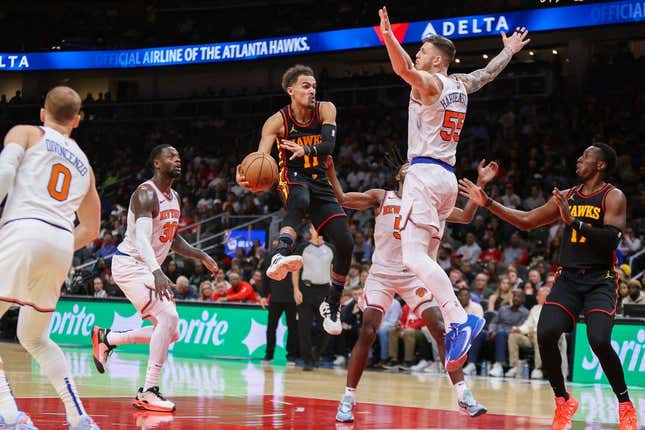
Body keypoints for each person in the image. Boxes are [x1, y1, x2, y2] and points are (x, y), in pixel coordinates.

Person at [378, 6, 530, 370]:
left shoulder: (430, 82)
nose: (418, 54)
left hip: (425, 175)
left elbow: (402, 69)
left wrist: (387, 36)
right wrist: (508, 51)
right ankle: (457, 319)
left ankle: (461, 319)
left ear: (438, 60)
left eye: (424, 51)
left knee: (412, 259)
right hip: (446, 176)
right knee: (424, 261)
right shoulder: (460, 84)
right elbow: (487, 74)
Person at [459, 143, 638, 429]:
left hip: (599, 280)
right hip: (568, 278)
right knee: (545, 332)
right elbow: (527, 221)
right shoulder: (566, 195)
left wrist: (573, 222)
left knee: (599, 340)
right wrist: (488, 203)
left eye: (587, 156)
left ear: (601, 165)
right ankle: (563, 400)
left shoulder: (613, 196)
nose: (579, 158)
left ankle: (625, 404)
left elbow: (611, 240)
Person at [328, 158, 497, 422]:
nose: (413, 169)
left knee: (440, 328)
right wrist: (329, 169)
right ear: (399, 176)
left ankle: (463, 394)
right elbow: (342, 198)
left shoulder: (429, 206)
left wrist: (480, 185)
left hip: (414, 275)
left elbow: (464, 215)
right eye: (408, 167)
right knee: (369, 329)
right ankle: (348, 397)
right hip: (382, 274)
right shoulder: (381, 197)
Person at [0, 86, 101, 429]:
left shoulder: (27, 132)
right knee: (35, 338)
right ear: (76, 121)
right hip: (60, 242)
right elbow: (90, 228)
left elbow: (4, 175)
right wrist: (53, 245)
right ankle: (78, 418)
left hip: (22, 230)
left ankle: (9, 415)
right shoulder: (84, 163)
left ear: (43, 113)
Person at [91, 144, 218, 413]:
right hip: (130, 264)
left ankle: (108, 338)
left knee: (171, 332)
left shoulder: (175, 197)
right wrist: (157, 272)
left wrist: (199, 254)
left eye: (179, 156)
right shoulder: (146, 193)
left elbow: (170, 237)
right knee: (169, 318)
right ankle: (148, 391)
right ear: (157, 163)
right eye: (171, 156)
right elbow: (141, 238)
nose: (177, 159)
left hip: (144, 267)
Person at [236, 64, 354, 336]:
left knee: (346, 243)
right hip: (292, 175)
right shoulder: (276, 121)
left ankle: (332, 304)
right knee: (299, 200)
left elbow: (328, 146)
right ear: (290, 90)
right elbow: (262, 159)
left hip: (320, 179)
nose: (312, 90)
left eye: (313, 86)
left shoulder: (326, 109)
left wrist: (306, 148)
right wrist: (247, 176)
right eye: (305, 86)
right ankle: (280, 255)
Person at [294, 225, 335, 371]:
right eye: (315, 227)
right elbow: (295, 270)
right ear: (310, 231)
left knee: (324, 326)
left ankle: (316, 354)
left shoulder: (331, 248)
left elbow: (334, 271)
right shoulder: (302, 247)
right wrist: (296, 289)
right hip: (306, 289)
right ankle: (307, 360)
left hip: (324, 290)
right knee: (303, 327)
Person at [260, 241, 299, 365]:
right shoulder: (269, 257)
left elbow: (299, 277)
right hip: (275, 298)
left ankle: (291, 356)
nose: (277, 246)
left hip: (291, 298)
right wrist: (263, 296)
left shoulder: (294, 257)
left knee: (292, 328)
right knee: (271, 327)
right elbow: (265, 277)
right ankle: (269, 354)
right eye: (275, 244)